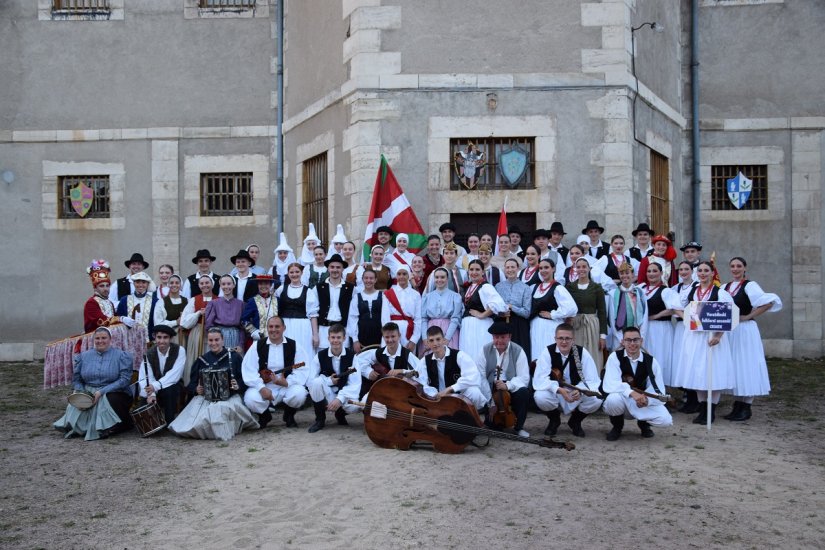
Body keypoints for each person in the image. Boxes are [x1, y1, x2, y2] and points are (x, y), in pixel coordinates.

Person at [672, 261, 735, 424]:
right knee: (698, 373)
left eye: (706, 270)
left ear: (712, 273)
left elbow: (728, 316)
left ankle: (711, 410)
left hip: (713, 338)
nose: (702, 273)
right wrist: (688, 319)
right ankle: (702, 408)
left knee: (712, 373)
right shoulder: (692, 291)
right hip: (695, 337)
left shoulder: (719, 292)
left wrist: (719, 336)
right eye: (700, 271)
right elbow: (679, 308)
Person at [169, 327, 257, 441]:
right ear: (207, 341)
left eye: (217, 340)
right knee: (196, 422)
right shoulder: (201, 360)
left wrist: (237, 385)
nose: (214, 343)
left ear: (222, 340)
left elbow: (245, 379)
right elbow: (191, 384)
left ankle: (219, 431)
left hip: (230, 397)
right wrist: (197, 389)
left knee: (219, 410)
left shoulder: (234, 357)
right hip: (206, 398)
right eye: (211, 340)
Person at [722, 257, 782, 421]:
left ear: (745, 268)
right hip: (731, 331)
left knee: (747, 365)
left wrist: (748, 316)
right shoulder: (725, 287)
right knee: (736, 366)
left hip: (746, 330)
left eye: (739, 266)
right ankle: (738, 405)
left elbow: (769, 302)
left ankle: (746, 406)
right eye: (732, 266)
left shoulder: (750, 285)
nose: (735, 269)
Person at [53, 327, 133, 440]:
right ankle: (82, 426)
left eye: (104, 338)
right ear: (93, 340)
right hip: (88, 390)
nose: (100, 341)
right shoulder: (84, 356)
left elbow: (124, 380)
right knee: (78, 401)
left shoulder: (121, 356)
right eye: (97, 338)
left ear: (110, 339)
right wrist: (81, 392)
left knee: (111, 399)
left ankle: (117, 425)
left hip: (114, 391)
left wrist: (101, 392)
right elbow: (77, 379)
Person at [602, 326, 673, 440]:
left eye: (635, 339)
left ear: (641, 341)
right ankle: (617, 427)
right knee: (613, 400)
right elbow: (611, 383)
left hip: (641, 402)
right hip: (623, 400)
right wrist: (631, 393)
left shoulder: (651, 361)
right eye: (628, 340)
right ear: (623, 342)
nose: (632, 343)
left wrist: (647, 400)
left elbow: (657, 388)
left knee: (665, 420)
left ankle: (644, 425)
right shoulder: (614, 357)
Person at [532, 323, 602, 437]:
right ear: (555, 338)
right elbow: (540, 379)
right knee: (540, 396)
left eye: (567, 338)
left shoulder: (582, 353)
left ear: (573, 339)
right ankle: (554, 420)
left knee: (596, 399)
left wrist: (580, 390)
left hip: (576, 392)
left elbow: (592, 379)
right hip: (557, 392)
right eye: (560, 338)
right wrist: (558, 389)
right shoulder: (547, 352)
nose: (564, 342)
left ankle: (575, 421)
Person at [242, 316, 311, 428]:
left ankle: (289, 415)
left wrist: (287, 382)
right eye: (271, 326)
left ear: (284, 328)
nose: (274, 329)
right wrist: (261, 387)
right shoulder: (257, 346)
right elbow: (249, 369)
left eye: (277, 326)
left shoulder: (294, 345)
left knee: (300, 393)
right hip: (265, 386)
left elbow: (302, 369)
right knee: (250, 398)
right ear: (267, 328)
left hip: (285, 386)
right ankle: (265, 416)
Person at [475, 322, 531, 437]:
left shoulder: (518, 351)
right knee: (494, 428)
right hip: (490, 387)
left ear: (509, 337)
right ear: (492, 337)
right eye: (496, 337)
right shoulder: (484, 350)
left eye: (503, 337)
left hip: (511, 385)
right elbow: (480, 377)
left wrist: (508, 386)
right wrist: (490, 401)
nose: (499, 341)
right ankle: (494, 421)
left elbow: (524, 378)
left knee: (523, 393)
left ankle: (518, 427)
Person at [306, 324, 362, 433]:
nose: (335, 340)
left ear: (344, 338)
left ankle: (340, 413)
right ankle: (320, 419)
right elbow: (311, 380)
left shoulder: (352, 357)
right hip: (328, 392)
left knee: (354, 407)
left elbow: (355, 383)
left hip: (344, 393)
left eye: (338, 337)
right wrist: (328, 381)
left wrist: (339, 399)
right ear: (328, 338)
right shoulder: (320, 356)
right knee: (316, 383)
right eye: (333, 337)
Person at [422, 326, 486, 410]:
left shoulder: (459, 355)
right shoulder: (425, 361)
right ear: (427, 343)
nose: (435, 343)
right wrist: (435, 395)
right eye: (431, 340)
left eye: (438, 339)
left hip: (459, 397)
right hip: (438, 400)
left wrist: (451, 388)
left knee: (475, 392)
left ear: (444, 340)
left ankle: (473, 416)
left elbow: (473, 376)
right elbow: (420, 382)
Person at [356, 322, 425, 398]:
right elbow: (358, 360)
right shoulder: (379, 352)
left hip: (403, 393)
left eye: (393, 336)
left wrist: (402, 371)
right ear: (383, 337)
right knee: (365, 401)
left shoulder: (407, 354)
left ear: (399, 336)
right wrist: (368, 372)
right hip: (383, 390)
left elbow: (422, 372)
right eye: (387, 337)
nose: (390, 340)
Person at [529, 258, 578, 363]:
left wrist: (553, 314)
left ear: (553, 269)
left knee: (549, 355)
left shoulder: (558, 288)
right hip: (536, 327)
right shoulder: (535, 287)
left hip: (550, 327)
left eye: (546, 267)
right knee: (536, 355)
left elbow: (572, 308)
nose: (543, 270)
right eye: (541, 268)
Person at [638, 262, 678, 387]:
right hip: (644, 329)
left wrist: (656, 316)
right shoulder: (641, 289)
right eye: (649, 271)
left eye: (655, 271)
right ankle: (645, 385)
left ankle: (660, 387)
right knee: (645, 354)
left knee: (659, 356)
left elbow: (674, 308)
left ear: (661, 273)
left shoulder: (666, 291)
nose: (651, 274)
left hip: (661, 329)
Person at [565, 258, 608, 371]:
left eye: (584, 266)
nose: (581, 269)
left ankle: (594, 381)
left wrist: (602, 336)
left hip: (592, 324)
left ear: (589, 268)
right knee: (576, 353)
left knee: (592, 354)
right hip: (576, 325)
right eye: (578, 267)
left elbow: (602, 312)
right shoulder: (570, 287)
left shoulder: (597, 288)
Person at [138, 325, 185, 424]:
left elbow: (175, 374)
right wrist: (152, 393)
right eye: (159, 337)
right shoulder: (149, 354)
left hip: (173, 384)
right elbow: (145, 376)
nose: (162, 341)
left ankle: (169, 421)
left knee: (170, 389)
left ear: (171, 338)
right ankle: (153, 423)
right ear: (155, 338)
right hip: (153, 385)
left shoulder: (179, 350)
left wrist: (155, 386)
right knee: (144, 399)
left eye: (165, 337)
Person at [458, 259, 507, 354]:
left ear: (483, 272)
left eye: (477, 269)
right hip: (467, 327)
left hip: (480, 325)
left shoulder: (486, 287)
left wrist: (482, 315)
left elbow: (499, 304)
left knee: (480, 351)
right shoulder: (468, 287)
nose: (474, 272)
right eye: (471, 269)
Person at [670, 261, 698, 413]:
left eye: (687, 269)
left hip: (693, 328)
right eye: (681, 269)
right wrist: (684, 316)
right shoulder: (676, 288)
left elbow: (698, 309)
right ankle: (688, 396)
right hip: (680, 327)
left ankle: (695, 399)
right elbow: (672, 307)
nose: (683, 272)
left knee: (692, 361)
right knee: (682, 362)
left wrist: (687, 317)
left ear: (692, 270)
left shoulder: (697, 287)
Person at [179, 274, 216, 386]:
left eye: (207, 282)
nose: (205, 285)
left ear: (212, 284)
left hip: (213, 333)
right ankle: (194, 386)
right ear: (199, 286)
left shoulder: (218, 299)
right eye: (202, 283)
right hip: (197, 333)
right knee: (196, 360)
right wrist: (198, 313)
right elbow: (184, 322)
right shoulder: (194, 300)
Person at [276, 262, 320, 354]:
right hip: (285, 326)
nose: (294, 274)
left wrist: (315, 335)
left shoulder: (308, 291)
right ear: (288, 274)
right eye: (291, 272)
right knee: (285, 351)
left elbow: (313, 315)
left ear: (301, 273)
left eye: (297, 272)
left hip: (303, 327)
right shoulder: (281, 289)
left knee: (303, 351)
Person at [495, 258, 533, 360]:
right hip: (503, 323)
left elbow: (527, 312)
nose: (510, 270)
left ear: (518, 269)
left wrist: (512, 307)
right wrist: (502, 314)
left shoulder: (525, 288)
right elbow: (494, 310)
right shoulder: (498, 287)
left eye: (513, 267)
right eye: (507, 267)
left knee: (519, 355)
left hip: (519, 325)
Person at [315, 254, 355, 348]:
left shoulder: (351, 288)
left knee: (343, 358)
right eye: (332, 267)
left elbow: (353, 314)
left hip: (342, 330)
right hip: (324, 330)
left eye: (338, 267)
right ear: (328, 269)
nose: (335, 270)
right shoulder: (319, 287)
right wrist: (315, 334)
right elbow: (313, 312)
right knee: (324, 358)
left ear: (342, 269)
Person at [606, 262, 648, 351]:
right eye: (621, 273)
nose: (624, 276)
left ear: (632, 274)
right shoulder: (613, 294)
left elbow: (645, 315)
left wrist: (641, 336)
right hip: (620, 337)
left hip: (637, 335)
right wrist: (620, 338)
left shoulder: (640, 292)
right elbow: (612, 317)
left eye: (627, 273)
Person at [381, 266, 422, 351]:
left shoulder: (416, 295)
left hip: (409, 331)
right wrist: (388, 335)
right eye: (399, 274)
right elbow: (385, 317)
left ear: (409, 276)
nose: (402, 276)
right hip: (391, 329)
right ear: (396, 276)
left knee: (407, 359)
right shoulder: (388, 294)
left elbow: (418, 319)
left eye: (404, 274)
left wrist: (414, 340)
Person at [421, 267, 463, 349]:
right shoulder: (427, 297)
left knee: (448, 356)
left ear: (447, 279)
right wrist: (425, 337)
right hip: (430, 331)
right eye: (437, 277)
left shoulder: (455, 296)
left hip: (448, 331)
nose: (439, 280)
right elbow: (424, 318)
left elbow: (455, 318)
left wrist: (447, 338)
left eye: (442, 277)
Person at [204, 274, 245, 351]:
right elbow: (209, 325)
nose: (226, 287)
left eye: (229, 284)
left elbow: (242, 327)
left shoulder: (241, 304)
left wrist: (241, 344)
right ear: (220, 286)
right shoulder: (214, 303)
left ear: (233, 285)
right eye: (223, 284)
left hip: (235, 337)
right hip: (219, 337)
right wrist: (214, 341)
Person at [347, 267, 384, 352]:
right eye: (366, 278)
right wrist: (355, 340)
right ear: (362, 279)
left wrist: (385, 339)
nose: (368, 280)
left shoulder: (383, 296)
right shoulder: (357, 297)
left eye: (371, 278)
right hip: (362, 339)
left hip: (380, 337)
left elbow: (385, 319)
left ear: (375, 280)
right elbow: (352, 319)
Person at [83, 259, 120, 333]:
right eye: (102, 286)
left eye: (107, 286)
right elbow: (101, 321)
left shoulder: (110, 303)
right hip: (95, 340)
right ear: (95, 287)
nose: (106, 289)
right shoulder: (91, 303)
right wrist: (120, 319)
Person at [241, 274, 278, 343]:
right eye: (261, 284)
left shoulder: (277, 300)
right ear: (257, 285)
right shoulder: (252, 301)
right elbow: (244, 320)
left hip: (276, 337)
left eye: (266, 284)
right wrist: (253, 331)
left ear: (270, 285)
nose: (263, 286)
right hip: (259, 339)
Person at [152, 275, 188, 345]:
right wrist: (176, 322)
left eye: (177, 283)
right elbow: (158, 323)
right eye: (171, 283)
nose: (174, 285)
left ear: (180, 285)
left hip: (184, 336)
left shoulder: (187, 301)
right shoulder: (161, 302)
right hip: (167, 337)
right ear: (168, 285)